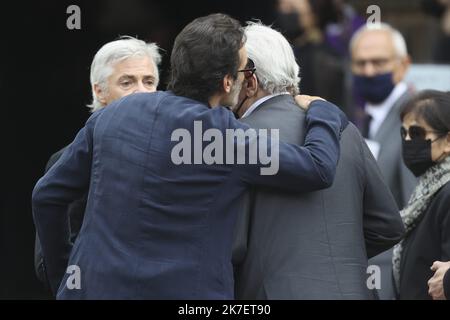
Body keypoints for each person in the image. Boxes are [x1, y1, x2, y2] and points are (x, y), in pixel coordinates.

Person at [32, 13, 348, 299]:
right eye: (242, 69)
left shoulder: (114, 115)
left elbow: (47, 195)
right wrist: (323, 110)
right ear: (228, 82)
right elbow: (318, 167)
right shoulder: (226, 139)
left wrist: (67, 275)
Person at [232, 22, 404, 300]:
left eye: (232, 75)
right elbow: (388, 224)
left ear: (250, 81)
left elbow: (232, 245)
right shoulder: (345, 129)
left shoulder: (238, 138)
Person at [34, 36, 162, 287]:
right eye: (127, 82)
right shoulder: (69, 160)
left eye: (149, 81)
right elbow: (46, 262)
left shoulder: (171, 152)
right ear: (99, 91)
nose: (141, 91)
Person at [350, 23, 417, 299]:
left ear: (403, 65)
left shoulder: (415, 120)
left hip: (394, 273)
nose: (368, 71)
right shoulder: (361, 118)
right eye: (360, 63)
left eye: (378, 62)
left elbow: (416, 206)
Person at [392, 90, 450, 300]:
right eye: (404, 133)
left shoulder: (447, 193)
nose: (407, 141)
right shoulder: (428, 191)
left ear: (448, 141)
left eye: (417, 134)